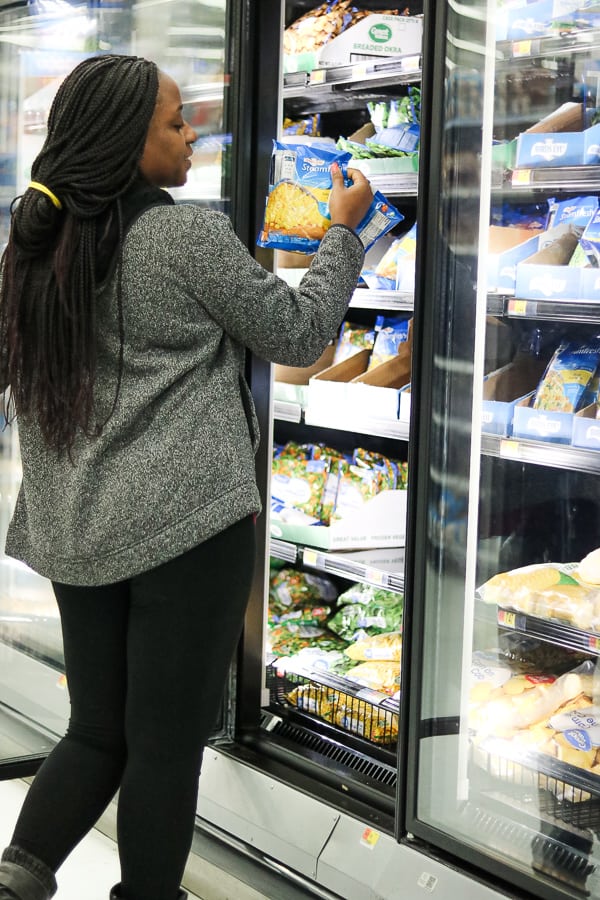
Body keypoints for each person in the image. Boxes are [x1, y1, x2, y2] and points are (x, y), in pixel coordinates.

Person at [0, 54, 373, 900]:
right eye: (175, 123)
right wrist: (343, 232)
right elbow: (299, 333)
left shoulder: (35, 242)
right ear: (129, 142)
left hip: (77, 530)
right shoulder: (184, 235)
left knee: (97, 730)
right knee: (165, 747)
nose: (192, 133)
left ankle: (15, 880)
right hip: (185, 533)